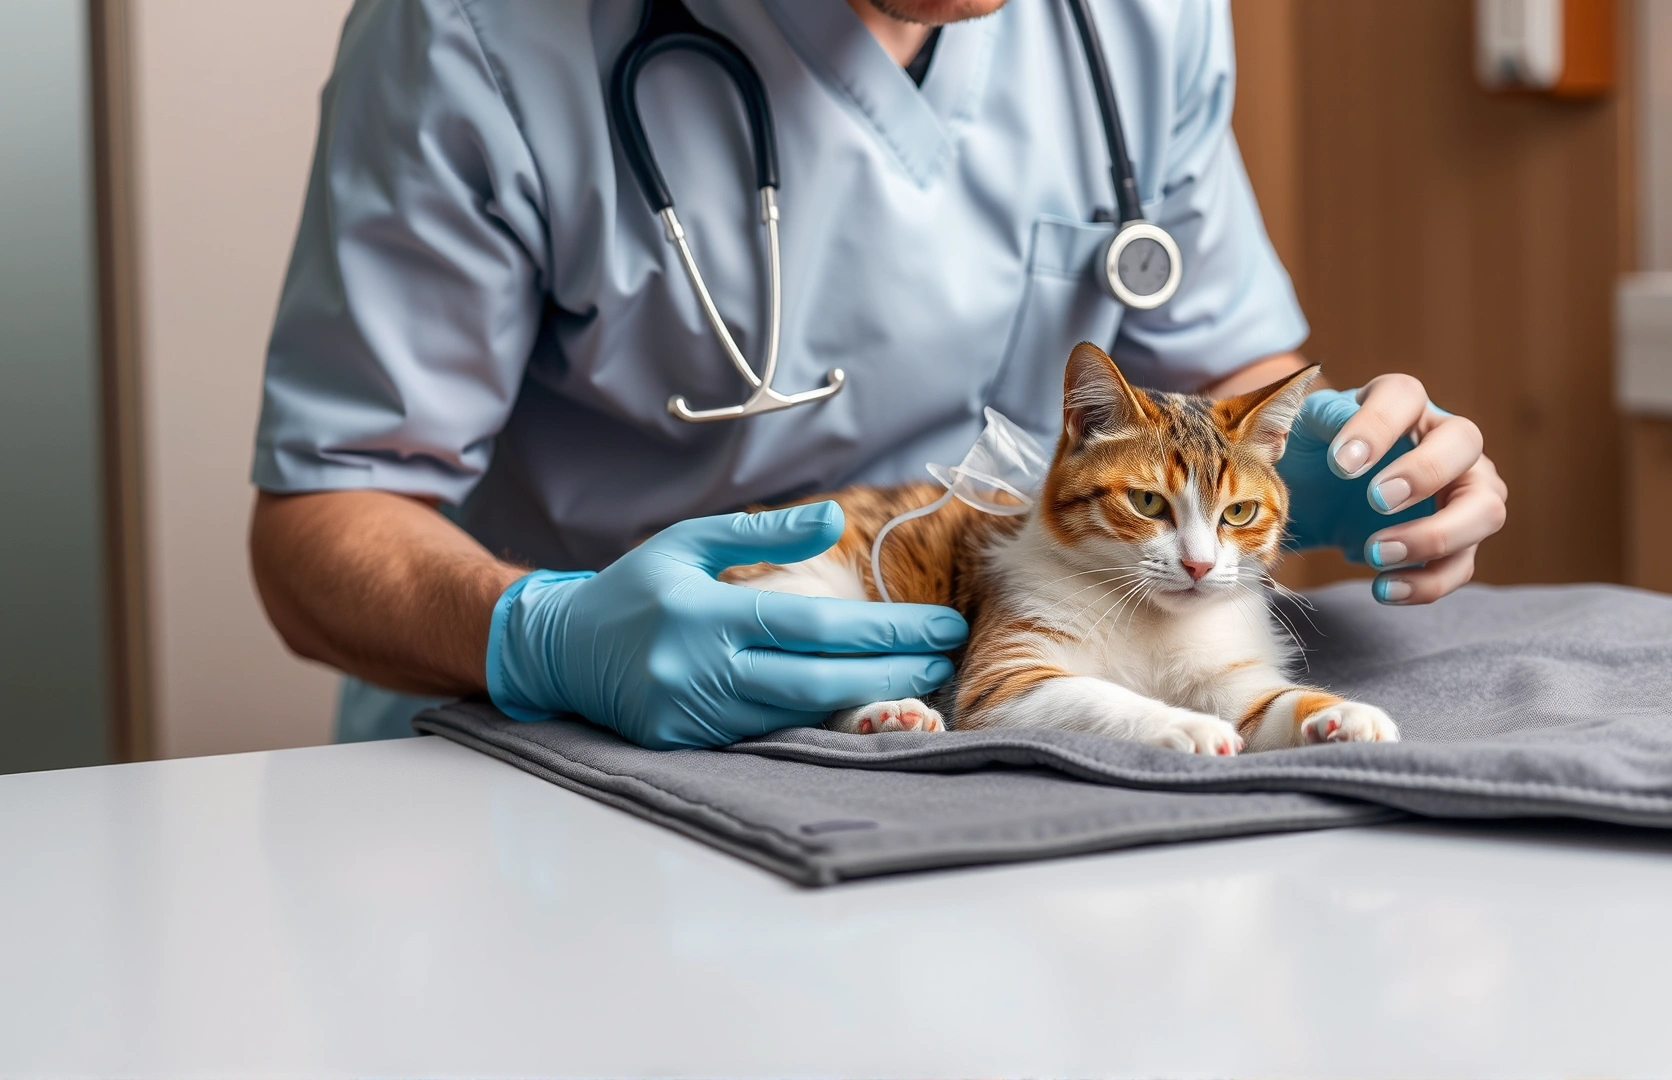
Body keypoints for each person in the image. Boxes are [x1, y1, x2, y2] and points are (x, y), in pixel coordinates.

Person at [250, 0, 1508, 749]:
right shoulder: (475, 37)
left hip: (1003, 734)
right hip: (567, 766)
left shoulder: (1139, 23)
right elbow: (320, 528)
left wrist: (1341, 458)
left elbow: (1229, 375)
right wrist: (546, 639)